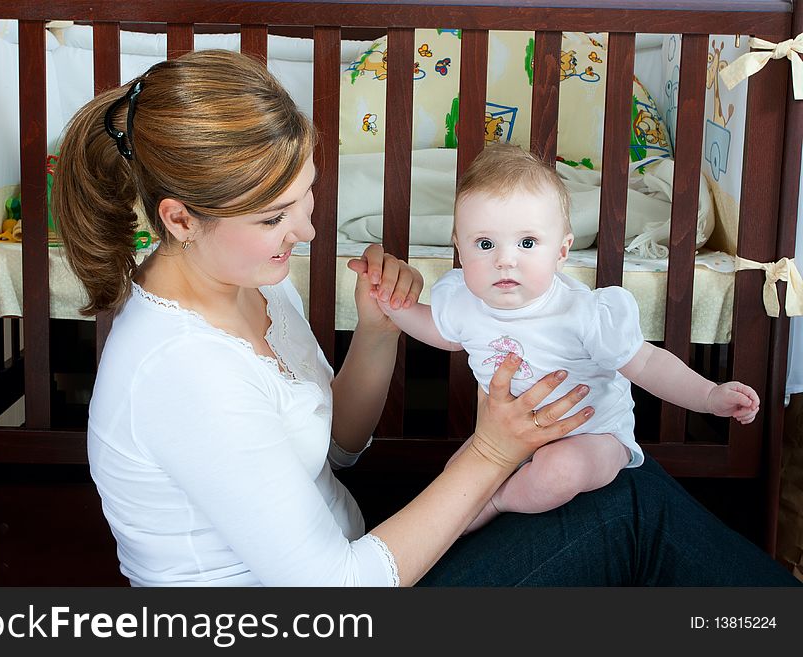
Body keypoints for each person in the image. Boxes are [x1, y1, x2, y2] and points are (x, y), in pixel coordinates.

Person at [52, 49, 797, 586]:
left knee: (620, 492)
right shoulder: (182, 371)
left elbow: (335, 447)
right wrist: (490, 453)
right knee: (628, 510)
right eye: (279, 213)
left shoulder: (243, 275)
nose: (309, 230)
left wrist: (377, 325)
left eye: (307, 195)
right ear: (180, 218)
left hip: (346, 549)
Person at [380, 144, 761, 532]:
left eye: (527, 243)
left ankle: (500, 501)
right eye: (485, 244)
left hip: (591, 435)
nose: (505, 260)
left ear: (561, 252)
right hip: (511, 434)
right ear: (460, 249)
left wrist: (709, 396)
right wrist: (395, 307)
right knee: (454, 476)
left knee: (558, 472)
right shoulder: (464, 300)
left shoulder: (584, 314)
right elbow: (443, 334)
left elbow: (647, 363)